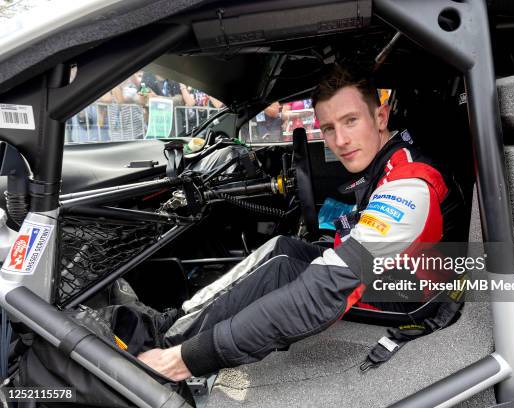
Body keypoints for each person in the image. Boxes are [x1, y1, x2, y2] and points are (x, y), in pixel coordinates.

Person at [137, 65, 462, 381]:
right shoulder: (391, 159)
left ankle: (166, 351)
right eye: (330, 128)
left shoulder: (409, 185)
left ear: (380, 116)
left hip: (412, 300)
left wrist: (187, 360)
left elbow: (328, 289)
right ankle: (172, 324)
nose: (341, 140)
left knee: (285, 270)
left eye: (351, 121)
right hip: (395, 274)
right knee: (284, 247)